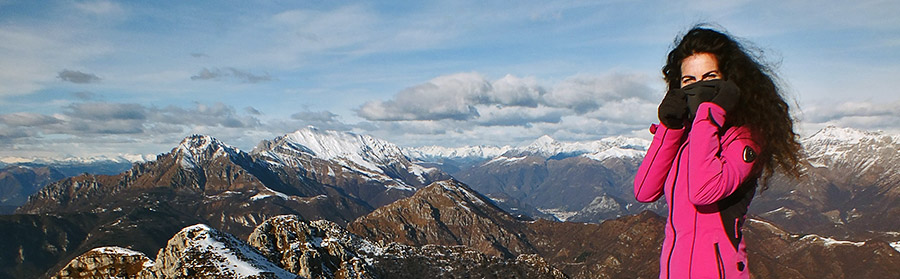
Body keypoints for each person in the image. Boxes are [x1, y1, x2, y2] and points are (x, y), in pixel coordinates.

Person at [633, 25, 803, 279]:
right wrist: (670, 128)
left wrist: (710, 115)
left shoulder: (746, 137)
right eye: (689, 81)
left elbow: (703, 191)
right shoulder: (685, 137)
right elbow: (644, 190)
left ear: (729, 83)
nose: (698, 88)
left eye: (710, 77)